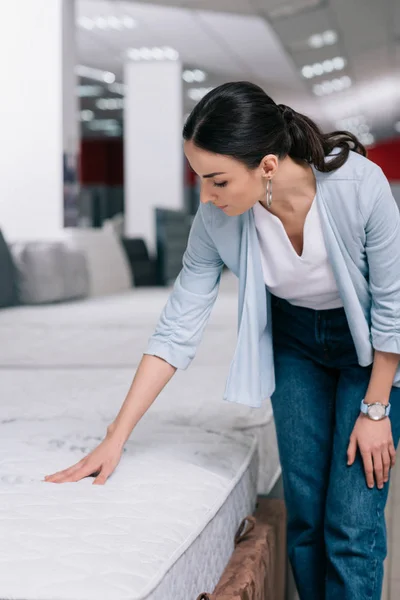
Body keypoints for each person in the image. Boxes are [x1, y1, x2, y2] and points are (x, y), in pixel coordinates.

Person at [44, 81, 400, 599]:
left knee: (351, 521)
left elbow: (394, 306)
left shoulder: (359, 187)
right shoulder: (217, 220)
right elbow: (177, 325)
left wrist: (376, 410)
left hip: (370, 353)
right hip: (296, 344)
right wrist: (116, 436)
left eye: (217, 181)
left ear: (268, 167)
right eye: (200, 181)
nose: (207, 197)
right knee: (304, 514)